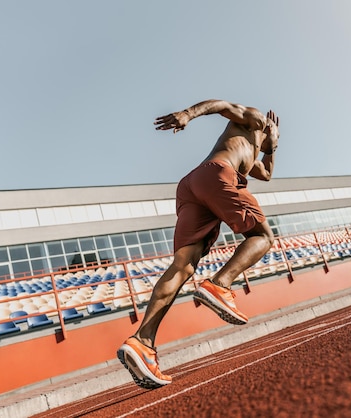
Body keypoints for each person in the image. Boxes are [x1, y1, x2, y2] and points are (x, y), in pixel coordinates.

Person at [117, 99, 280, 389]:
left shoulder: (253, 152)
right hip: (216, 174)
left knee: (183, 266)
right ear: (268, 128)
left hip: (193, 185)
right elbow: (221, 104)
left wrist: (273, 148)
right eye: (275, 132)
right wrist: (187, 115)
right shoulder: (255, 120)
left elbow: (266, 174)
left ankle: (142, 341)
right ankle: (220, 284)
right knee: (263, 237)